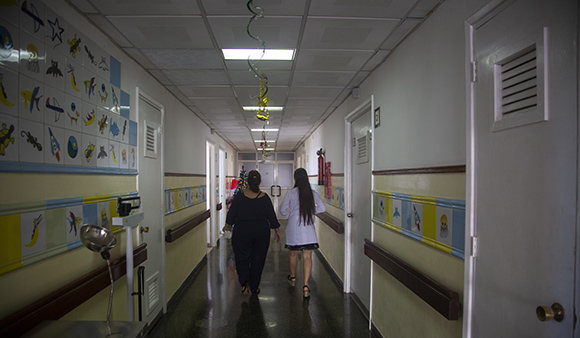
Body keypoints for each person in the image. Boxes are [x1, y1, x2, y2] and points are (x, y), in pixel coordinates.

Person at [222, 170, 281, 295]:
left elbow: (232, 214)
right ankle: (254, 286)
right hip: (261, 232)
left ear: (247, 182)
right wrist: (276, 229)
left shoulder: (239, 196)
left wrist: (227, 225)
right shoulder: (264, 198)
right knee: (258, 259)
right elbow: (271, 215)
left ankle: (244, 284)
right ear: (260, 182)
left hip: (242, 231)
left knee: (241, 258)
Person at [280, 168, 326, 298]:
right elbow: (322, 208)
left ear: (295, 179)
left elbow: (282, 209)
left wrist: (292, 215)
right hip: (308, 227)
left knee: (293, 254)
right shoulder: (312, 193)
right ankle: (305, 285)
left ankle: (293, 277)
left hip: (294, 227)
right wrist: (310, 212)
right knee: (307, 257)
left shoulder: (291, 193)